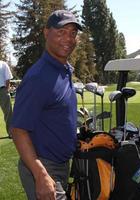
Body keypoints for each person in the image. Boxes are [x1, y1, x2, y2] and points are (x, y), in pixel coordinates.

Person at [10, 9, 82, 200]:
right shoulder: (38, 77)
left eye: (73, 33)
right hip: (43, 167)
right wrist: (41, 175)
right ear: (46, 32)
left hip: (60, 164)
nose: (68, 39)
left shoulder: (63, 69)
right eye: (61, 32)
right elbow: (18, 130)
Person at [0, 60, 13, 138]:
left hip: (3, 90)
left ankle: (11, 132)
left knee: (8, 113)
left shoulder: (3, 64)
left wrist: (7, 90)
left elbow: (8, 78)